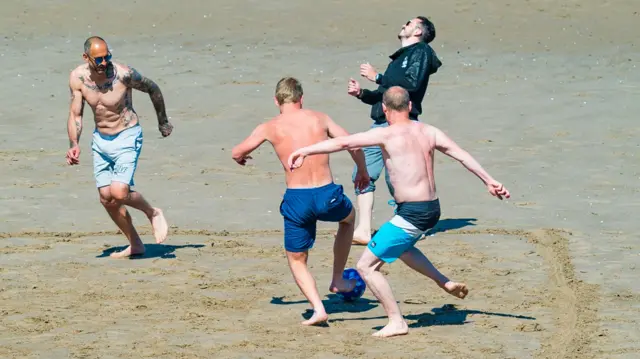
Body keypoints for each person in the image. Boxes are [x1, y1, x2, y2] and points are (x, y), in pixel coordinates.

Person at [289, 86, 511, 337]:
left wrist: (305, 150)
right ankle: (444, 282)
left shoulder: (386, 134)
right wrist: (489, 180)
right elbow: (461, 155)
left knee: (366, 267)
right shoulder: (429, 131)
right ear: (409, 106)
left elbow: (344, 142)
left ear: (384, 109)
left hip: (413, 213)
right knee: (403, 247)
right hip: (430, 209)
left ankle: (397, 321)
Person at [231, 77, 370, 326]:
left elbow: (237, 151)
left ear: (276, 101)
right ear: (301, 98)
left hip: (298, 199)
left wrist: (241, 158)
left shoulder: (269, 127)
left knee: (297, 259)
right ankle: (338, 278)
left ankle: (318, 308)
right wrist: (362, 170)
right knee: (348, 220)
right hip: (328, 194)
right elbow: (352, 143)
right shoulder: (320, 118)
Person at [65, 36, 174, 258]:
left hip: (127, 135)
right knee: (106, 198)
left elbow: (153, 88)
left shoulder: (123, 74)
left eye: (108, 57)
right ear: (86, 58)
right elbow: (76, 114)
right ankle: (135, 244)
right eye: (99, 59)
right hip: (101, 141)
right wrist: (74, 144)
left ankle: (152, 212)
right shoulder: (78, 78)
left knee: (119, 191)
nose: (105, 62)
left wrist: (163, 121)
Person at [347, 16, 442, 245]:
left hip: (402, 124)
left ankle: (411, 223)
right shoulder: (400, 60)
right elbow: (386, 94)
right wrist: (362, 93)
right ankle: (363, 229)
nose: (404, 24)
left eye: (409, 23)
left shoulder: (422, 52)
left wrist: (378, 76)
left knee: (398, 178)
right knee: (363, 174)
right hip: (381, 124)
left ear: (419, 31)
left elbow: (410, 86)